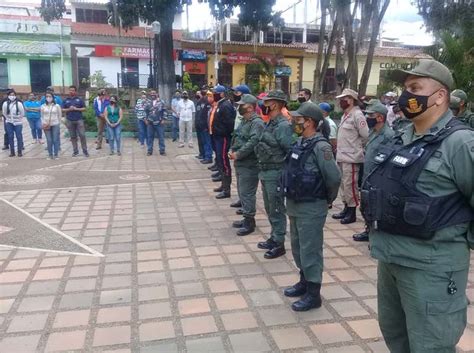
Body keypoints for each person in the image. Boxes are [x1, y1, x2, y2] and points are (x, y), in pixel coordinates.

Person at [361, 59, 474, 353]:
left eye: (414, 88)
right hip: (390, 259)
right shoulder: (402, 135)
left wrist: (456, 243)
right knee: (396, 337)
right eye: (404, 88)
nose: (405, 96)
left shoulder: (460, 143)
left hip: (431, 268)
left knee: (431, 346)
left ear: (439, 96)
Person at [283, 102, 341, 311]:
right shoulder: (300, 142)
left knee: (310, 250)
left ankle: (313, 293)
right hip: (295, 204)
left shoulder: (321, 146)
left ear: (309, 122)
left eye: (298, 119)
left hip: (312, 206)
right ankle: (304, 281)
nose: (294, 122)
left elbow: (333, 178)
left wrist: (328, 199)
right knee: (298, 247)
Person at [255, 90, 293, 259]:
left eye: (266, 102)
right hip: (266, 171)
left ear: (275, 104)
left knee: (276, 208)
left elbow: (289, 150)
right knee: (270, 208)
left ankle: (279, 243)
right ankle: (274, 236)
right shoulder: (271, 123)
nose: (263, 105)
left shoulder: (283, 126)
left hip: (276, 172)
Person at [352, 102, 394, 242]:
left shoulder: (388, 135)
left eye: (371, 115)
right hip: (368, 174)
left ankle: (375, 232)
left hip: (378, 176)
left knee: (376, 205)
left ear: (380, 118)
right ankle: (368, 229)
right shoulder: (372, 132)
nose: (367, 117)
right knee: (366, 204)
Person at [229, 94, 265, 236]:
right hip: (241, 162)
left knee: (247, 192)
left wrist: (238, 154)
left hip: (250, 163)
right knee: (241, 190)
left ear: (250, 107)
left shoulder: (257, 123)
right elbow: (237, 137)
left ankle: (250, 221)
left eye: (241, 105)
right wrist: (232, 150)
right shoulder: (245, 121)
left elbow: (253, 142)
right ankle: (246, 217)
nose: (239, 107)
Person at [332, 88, 369, 224]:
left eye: (344, 99)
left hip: (352, 156)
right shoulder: (345, 115)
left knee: (351, 184)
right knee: (343, 184)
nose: (341, 101)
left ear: (352, 100)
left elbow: (365, 136)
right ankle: (346, 207)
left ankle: (352, 212)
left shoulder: (357, 115)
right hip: (342, 155)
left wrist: (357, 149)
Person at [211, 85, 236, 199]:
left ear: (221, 94)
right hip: (218, 137)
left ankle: (227, 190)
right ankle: (223, 185)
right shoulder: (220, 104)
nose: (213, 94)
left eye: (215, 92)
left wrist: (223, 133)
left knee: (224, 162)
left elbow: (229, 123)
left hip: (223, 137)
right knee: (220, 161)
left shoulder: (226, 105)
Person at [62, 85, 89, 157]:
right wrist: (69, 109)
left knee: (82, 135)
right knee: (73, 136)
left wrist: (76, 109)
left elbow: (84, 108)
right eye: (70, 90)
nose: (71, 91)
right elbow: (62, 109)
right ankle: (75, 151)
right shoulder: (66, 100)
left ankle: (85, 151)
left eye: (73, 90)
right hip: (69, 120)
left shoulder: (79, 99)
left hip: (79, 120)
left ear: (75, 91)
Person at [2, 89, 25, 157]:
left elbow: (22, 113)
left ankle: (19, 151)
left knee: (19, 136)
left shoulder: (19, 103)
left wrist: (18, 119)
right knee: (10, 136)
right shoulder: (5, 103)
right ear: (8, 96)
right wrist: (9, 119)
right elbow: (4, 113)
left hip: (18, 123)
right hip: (9, 122)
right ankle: (12, 152)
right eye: (10, 95)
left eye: (13, 95)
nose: (12, 96)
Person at [41, 91, 62, 160]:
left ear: (53, 98)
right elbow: (42, 116)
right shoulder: (43, 106)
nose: (48, 98)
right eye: (47, 97)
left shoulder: (57, 106)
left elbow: (59, 115)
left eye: (50, 96)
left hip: (55, 124)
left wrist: (58, 123)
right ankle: (50, 154)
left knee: (55, 139)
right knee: (49, 140)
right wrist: (44, 123)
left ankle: (56, 154)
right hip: (46, 125)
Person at [195, 88, 213, 163]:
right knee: (201, 141)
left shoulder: (208, 102)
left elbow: (207, 116)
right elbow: (198, 114)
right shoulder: (199, 102)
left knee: (207, 142)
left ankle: (208, 157)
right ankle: (203, 154)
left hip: (205, 126)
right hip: (199, 125)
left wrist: (206, 126)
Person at [146, 91, 166, 156]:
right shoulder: (148, 102)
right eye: (151, 93)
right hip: (150, 123)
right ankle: (149, 151)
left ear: (157, 94)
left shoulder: (161, 102)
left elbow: (164, 110)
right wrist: (145, 119)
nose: (152, 94)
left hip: (159, 122)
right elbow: (145, 111)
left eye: (154, 93)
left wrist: (163, 119)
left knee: (161, 137)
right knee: (150, 137)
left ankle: (162, 151)